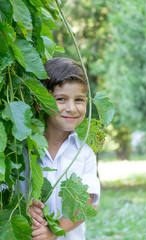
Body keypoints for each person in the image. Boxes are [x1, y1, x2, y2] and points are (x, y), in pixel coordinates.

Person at [20, 58, 100, 240]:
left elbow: (88, 203)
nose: (71, 108)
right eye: (61, 99)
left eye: (79, 100)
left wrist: (53, 232)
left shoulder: (84, 152)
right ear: (40, 102)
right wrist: (24, 209)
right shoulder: (22, 147)